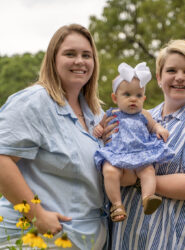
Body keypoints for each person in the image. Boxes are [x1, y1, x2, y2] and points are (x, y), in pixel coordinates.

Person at [109, 40, 185, 249]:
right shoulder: (143, 118)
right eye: (171, 70)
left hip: (179, 238)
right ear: (158, 77)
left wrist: (138, 179)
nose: (180, 77)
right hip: (133, 235)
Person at [0, 24, 108, 249]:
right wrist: (36, 214)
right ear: (53, 59)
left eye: (86, 55)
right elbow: (2, 160)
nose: (80, 61)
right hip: (36, 239)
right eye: (70, 54)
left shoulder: (97, 115)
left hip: (84, 239)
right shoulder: (34, 101)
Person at [93, 62, 174, 222]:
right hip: (117, 154)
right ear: (115, 98)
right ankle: (117, 205)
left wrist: (159, 129)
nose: (133, 99)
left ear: (144, 98)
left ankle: (148, 198)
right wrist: (98, 130)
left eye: (138, 96)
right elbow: (101, 128)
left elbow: (154, 126)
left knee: (148, 171)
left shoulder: (144, 114)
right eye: (127, 94)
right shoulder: (111, 113)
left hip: (140, 152)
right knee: (109, 171)